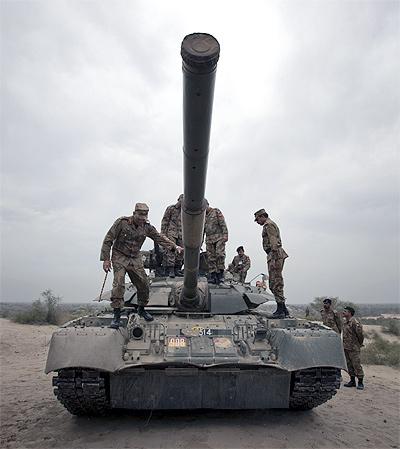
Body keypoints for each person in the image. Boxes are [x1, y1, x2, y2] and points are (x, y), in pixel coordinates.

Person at [100, 203, 183, 328]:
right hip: (119, 256)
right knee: (119, 284)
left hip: (135, 257)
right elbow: (108, 239)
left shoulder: (147, 227)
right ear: (134, 214)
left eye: (144, 217)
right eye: (139, 217)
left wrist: (174, 247)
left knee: (143, 283)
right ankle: (116, 316)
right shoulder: (122, 223)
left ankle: (141, 308)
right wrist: (106, 259)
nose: (142, 219)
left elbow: (159, 237)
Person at [254, 209, 288, 318]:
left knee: (275, 282)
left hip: (275, 255)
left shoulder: (269, 225)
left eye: (258, 219)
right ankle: (283, 309)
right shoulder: (268, 225)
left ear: (262, 216)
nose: (257, 222)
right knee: (274, 282)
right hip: (273, 255)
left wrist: (273, 259)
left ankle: (281, 309)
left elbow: (273, 242)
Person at [204, 202, 228, 284]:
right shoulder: (202, 216)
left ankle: (220, 274)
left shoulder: (216, 211)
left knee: (220, 254)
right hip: (209, 239)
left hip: (219, 237)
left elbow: (222, 223)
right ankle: (213, 275)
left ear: (207, 205)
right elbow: (201, 230)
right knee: (211, 257)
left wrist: (225, 234)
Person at [161, 194, 184, 277]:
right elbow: (165, 221)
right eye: (182, 199)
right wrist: (163, 234)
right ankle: (171, 269)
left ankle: (177, 269)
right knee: (171, 250)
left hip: (182, 234)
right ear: (179, 200)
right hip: (171, 232)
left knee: (181, 251)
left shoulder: (186, 211)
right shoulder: (171, 208)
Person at [342, 306, 365, 390]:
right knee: (349, 365)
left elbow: (360, 335)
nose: (343, 312)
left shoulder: (354, 322)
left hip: (354, 348)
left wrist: (359, 344)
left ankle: (360, 382)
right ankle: (352, 381)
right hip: (346, 347)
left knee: (356, 365)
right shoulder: (345, 322)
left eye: (345, 311)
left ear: (350, 313)